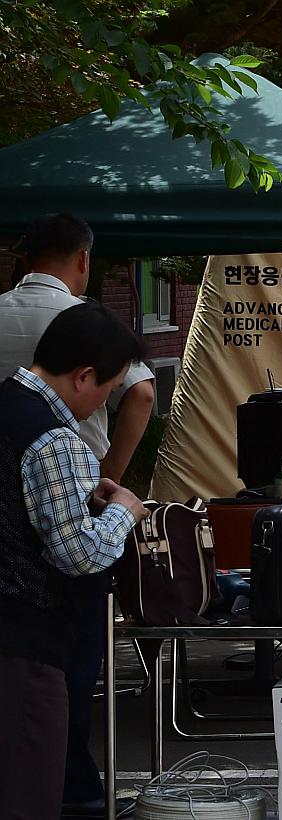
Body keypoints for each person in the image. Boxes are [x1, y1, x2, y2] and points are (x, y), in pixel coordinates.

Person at [0, 214, 155, 818]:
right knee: (34, 781)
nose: (101, 402)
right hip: (28, 633)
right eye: (104, 388)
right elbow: (77, 552)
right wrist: (121, 507)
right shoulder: (57, 438)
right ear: (84, 375)